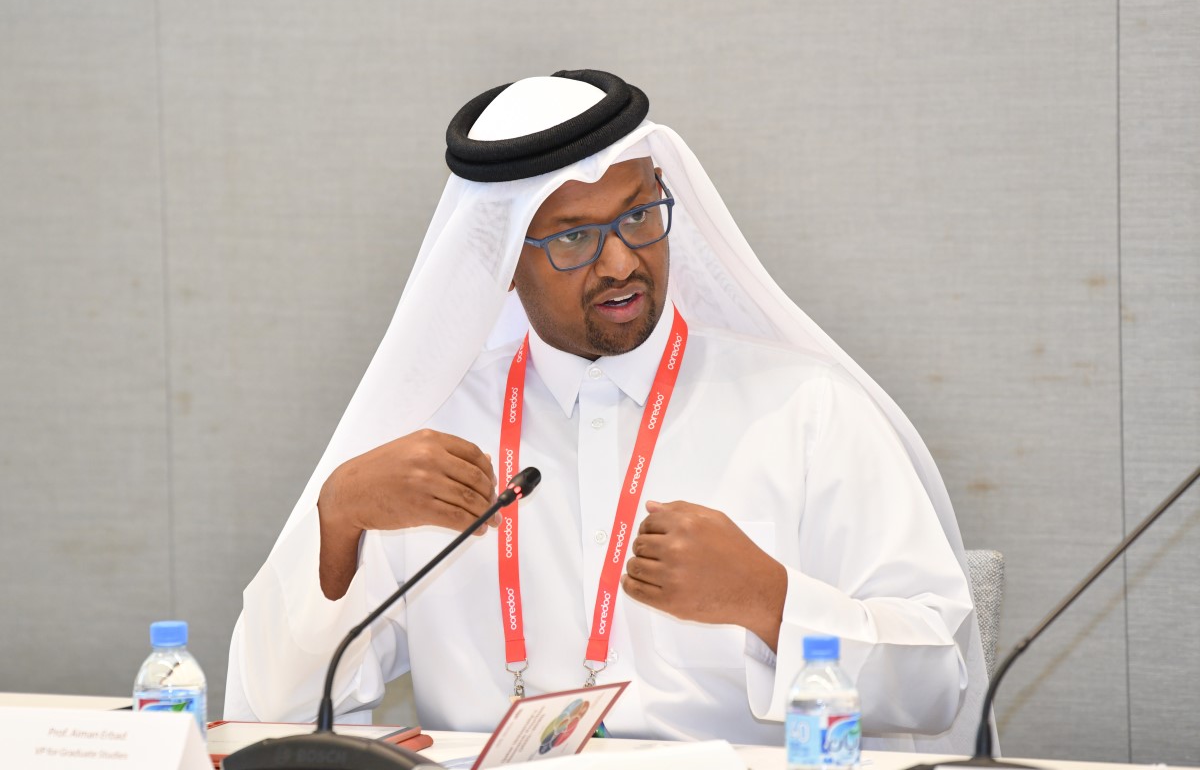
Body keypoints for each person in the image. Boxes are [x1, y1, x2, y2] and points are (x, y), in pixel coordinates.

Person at [225, 69, 988, 752]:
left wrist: (768, 600)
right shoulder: (439, 429)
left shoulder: (805, 407)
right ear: (504, 261)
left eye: (638, 217)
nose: (621, 261)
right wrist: (340, 520)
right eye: (574, 238)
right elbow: (277, 713)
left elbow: (938, 683)